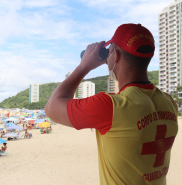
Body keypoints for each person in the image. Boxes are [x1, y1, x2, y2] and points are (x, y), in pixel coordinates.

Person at [44, 23, 178, 185]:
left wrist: (84, 66)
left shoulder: (110, 107)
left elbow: (51, 107)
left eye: (110, 51)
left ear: (116, 56)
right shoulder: (169, 102)